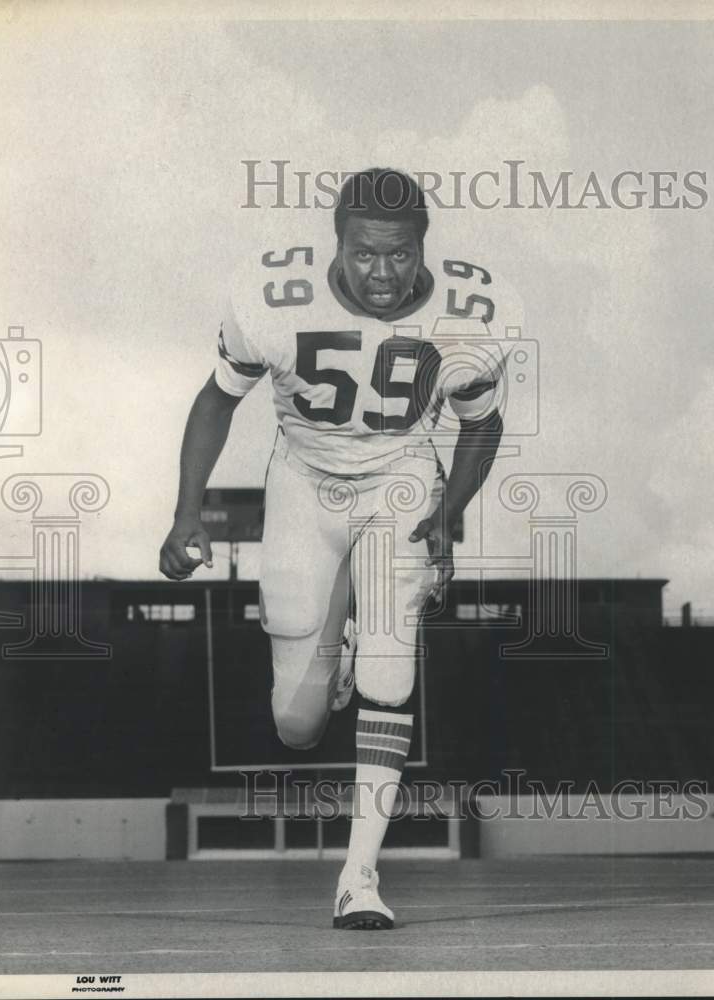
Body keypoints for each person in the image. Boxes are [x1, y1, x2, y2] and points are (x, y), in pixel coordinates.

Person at [159, 167, 506, 929]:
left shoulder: (469, 312)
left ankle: (359, 878)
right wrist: (186, 511)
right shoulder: (272, 298)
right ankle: (328, 641)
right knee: (296, 724)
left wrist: (448, 514)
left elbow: (481, 423)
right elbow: (218, 398)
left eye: (399, 254)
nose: (382, 274)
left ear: (423, 246)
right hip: (303, 477)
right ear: (336, 243)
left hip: (401, 475)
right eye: (363, 253)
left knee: (390, 667)